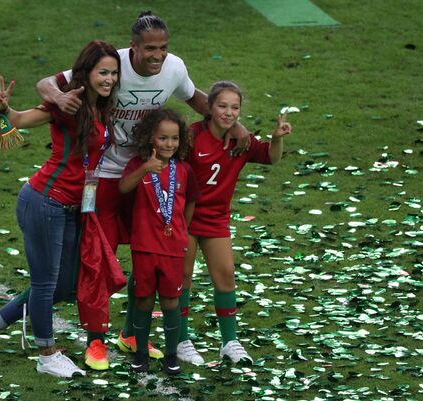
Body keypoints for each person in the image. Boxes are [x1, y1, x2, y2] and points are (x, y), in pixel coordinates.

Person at [36, 11, 251, 370]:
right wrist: (58, 99)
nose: (157, 55)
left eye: (163, 48)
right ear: (132, 47)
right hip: (101, 175)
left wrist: (237, 125)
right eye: (150, 48)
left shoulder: (174, 68)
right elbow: (47, 83)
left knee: (147, 253)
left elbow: (195, 97)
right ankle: (95, 343)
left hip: (147, 175)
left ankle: (132, 333)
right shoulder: (111, 64)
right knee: (97, 258)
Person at [0, 40, 121, 378]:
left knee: (64, 285)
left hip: (71, 207)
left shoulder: (103, 107)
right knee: (45, 283)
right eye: (102, 72)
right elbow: (22, 119)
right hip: (45, 201)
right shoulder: (68, 105)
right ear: (87, 72)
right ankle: (47, 354)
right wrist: (1, 110)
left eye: (113, 73)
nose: (109, 78)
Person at [179, 81, 292, 365]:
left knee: (226, 277)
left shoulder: (242, 141)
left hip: (216, 220)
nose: (228, 113)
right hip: (186, 218)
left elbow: (271, 157)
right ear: (209, 108)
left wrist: (277, 137)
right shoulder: (192, 136)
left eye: (234, 107)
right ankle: (181, 340)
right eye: (222, 106)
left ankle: (229, 342)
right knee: (182, 280)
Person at [118, 108, 199, 375]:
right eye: (163, 138)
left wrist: (181, 230)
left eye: (174, 139)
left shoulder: (184, 170)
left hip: (173, 248)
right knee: (143, 300)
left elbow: (190, 202)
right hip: (144, 247)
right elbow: (123, 188)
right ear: (150, 137)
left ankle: (172, 355)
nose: (169, 144)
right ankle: (141, 353)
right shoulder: (137, 165)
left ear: (181, 140)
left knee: (170, 302)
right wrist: (145, 168)